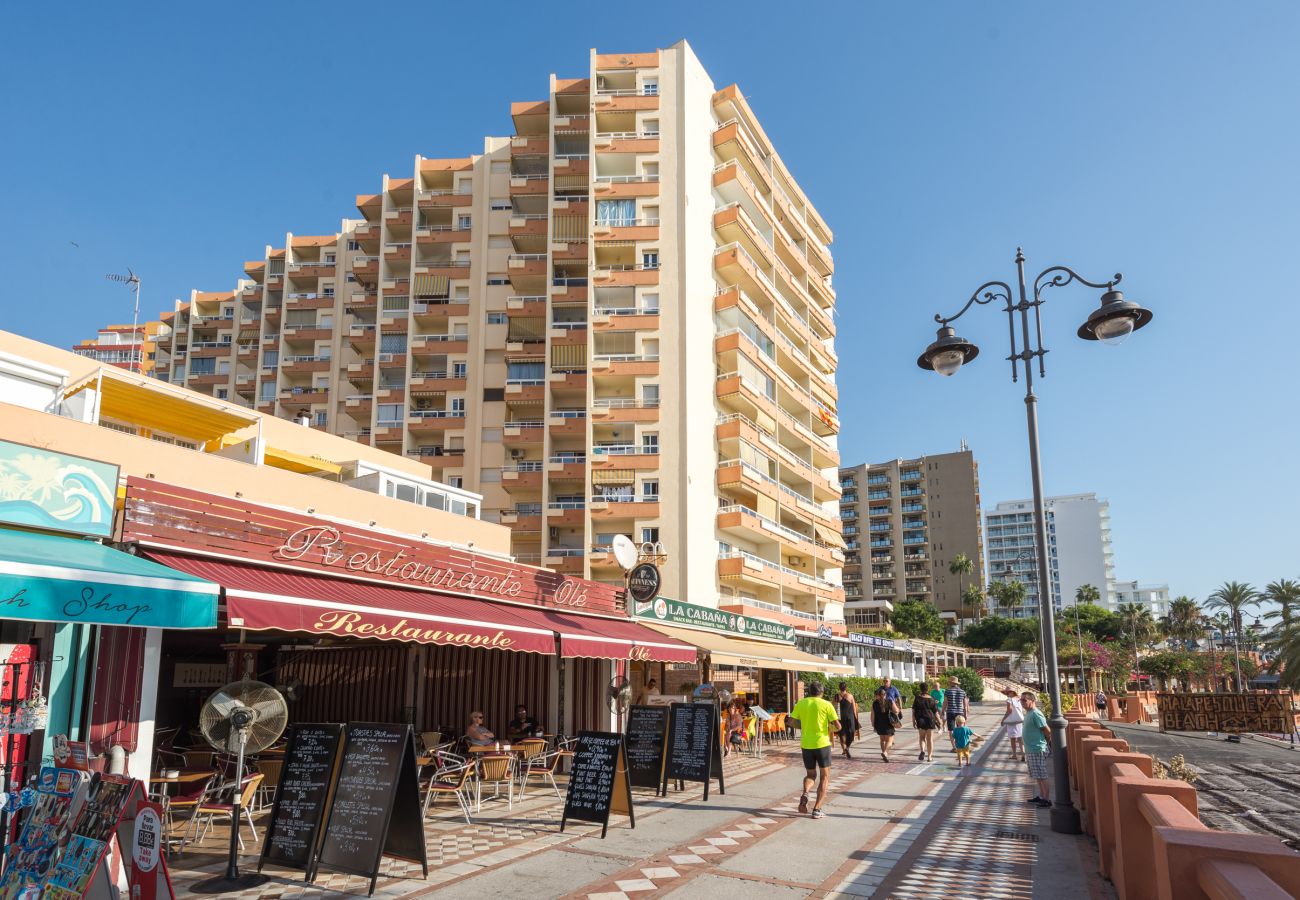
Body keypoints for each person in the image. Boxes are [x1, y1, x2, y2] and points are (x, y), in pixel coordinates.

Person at [789, 681, 840, 819]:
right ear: (822, 692)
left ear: (809, 692)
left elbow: (791, 722)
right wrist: (831, 728)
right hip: (822, 744)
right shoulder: (826, 704)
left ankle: (806, 792)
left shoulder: (801, 703)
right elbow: (838, 726)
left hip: (806, 745)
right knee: (825, 777)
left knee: (811, 775)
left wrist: (804, 726)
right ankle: (817, 809)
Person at [1021, 692, 1052, 807]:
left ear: (1032, 701)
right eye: (1021, 700)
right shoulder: (1029, 713)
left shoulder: (1036, 713)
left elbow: (1046, 729)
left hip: (1037, 748)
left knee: (1042, 775)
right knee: (1037, 775)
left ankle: (1046, 799)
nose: (1022, 702)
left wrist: (1048, 741)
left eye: (1024, 700)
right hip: (1031, 749)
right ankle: (1041, 796)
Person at [911, 684, 940, 762]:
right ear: (928, 690)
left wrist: (913, 721)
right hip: (930, 720)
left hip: (920, 719)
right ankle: (929, 757)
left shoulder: (917, 698)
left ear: (920, 689)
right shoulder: (932, 699)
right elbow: (936, 712)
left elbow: (913, 711)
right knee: (930, 739)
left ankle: (923, 751)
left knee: (922, 737)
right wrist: (939, 721)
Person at [870, 687, 897, 762]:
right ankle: (885, 753)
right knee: (889, 740)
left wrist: (873, 724)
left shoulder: (874, 703)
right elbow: (896, 710)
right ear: (885, 695)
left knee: (882, 740)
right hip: (888, 723)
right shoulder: (889, 701)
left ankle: (884, 754)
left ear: (878, 695)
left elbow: (872, 715)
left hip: (878, 723)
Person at [835, 682, 859, 759]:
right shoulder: (850, 696)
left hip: (840, 718)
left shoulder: (836, 696)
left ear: (839, 687)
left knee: (841, 734)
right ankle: (847, 747)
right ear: (846, 687)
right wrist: (855, 718)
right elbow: (854, 708)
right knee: (851, 733)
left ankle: (844, 749)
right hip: (850, 717)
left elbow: (833, 707)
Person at [943, 676, 969, 747]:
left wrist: (942, 710)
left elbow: (945, 702)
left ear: (951, 682)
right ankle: (961, 745)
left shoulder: (947, 691)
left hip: (950, 712)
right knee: (961, 729)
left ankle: (954, 747)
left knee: (951, 730)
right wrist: (965, 713)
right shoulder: (962, 691)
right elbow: (965, 704)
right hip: (960, 712)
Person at [1001, 688, 1025, 761]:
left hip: (1012, 721)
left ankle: (1014, 755)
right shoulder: (1018, 699)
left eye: (1007, 693)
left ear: (1011, 692)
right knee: (1020, 738)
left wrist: (1003, 719)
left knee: (1013, 739)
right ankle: (1023, 754)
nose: (1007, 695)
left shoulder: (1009, 700)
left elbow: (1009, 710)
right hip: (1019, 720)